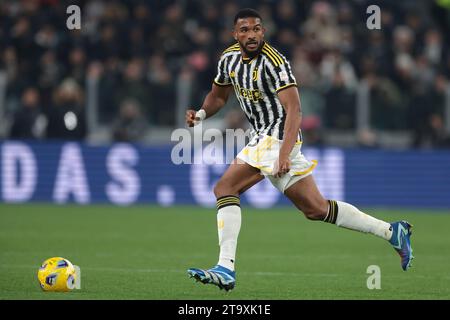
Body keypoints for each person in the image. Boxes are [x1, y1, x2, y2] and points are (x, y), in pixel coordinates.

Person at [185, 9, 413, 291]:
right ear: (235, 34)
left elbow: (294, 109)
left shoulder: (275, 62)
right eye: (245, 30)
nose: (252, 34)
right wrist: (202, 114)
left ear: (263, 31)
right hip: (264, 138)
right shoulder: (228, 59)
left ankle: (225, 267)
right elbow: (218, 96)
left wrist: (284, 152)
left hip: (278, 137)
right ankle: (392, 232)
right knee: (315, 209)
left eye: (256, 29)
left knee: (224, 188)